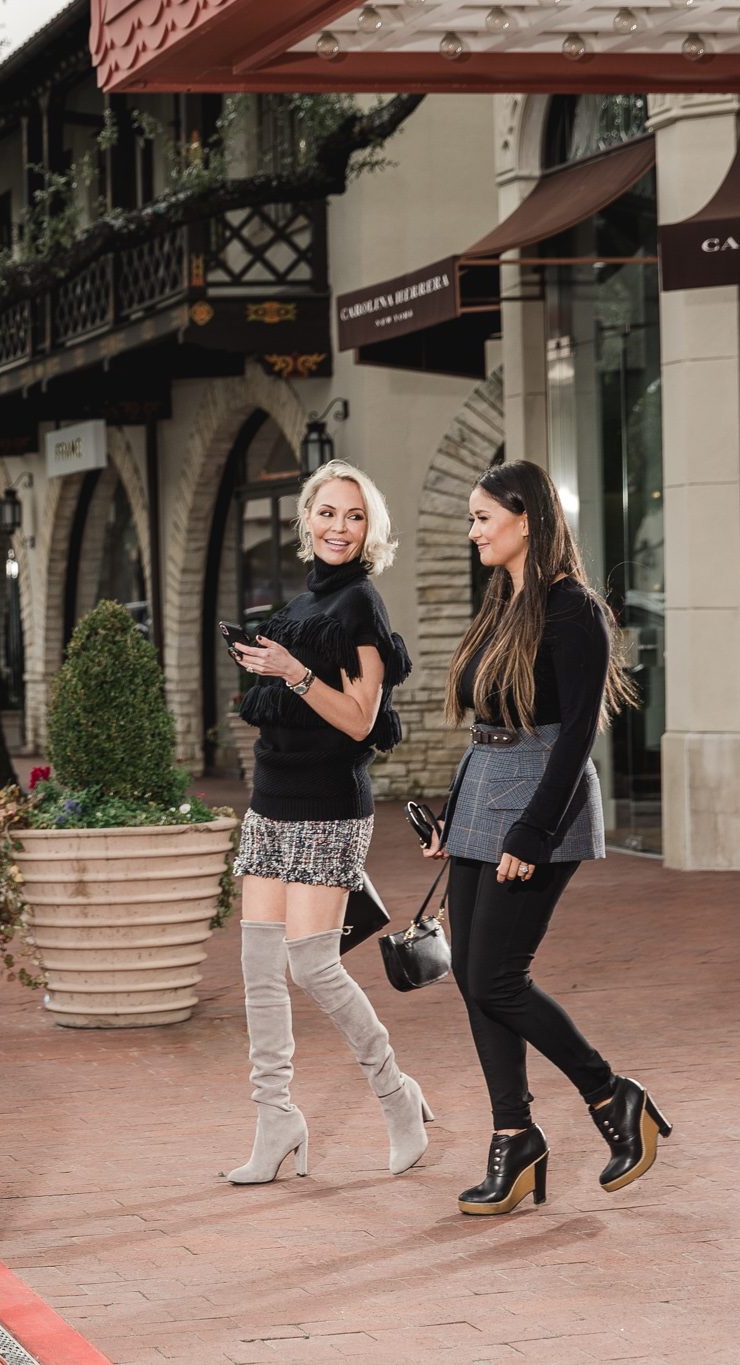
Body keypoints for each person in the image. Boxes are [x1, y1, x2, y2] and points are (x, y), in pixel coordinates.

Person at [422, 459, 670, 1217]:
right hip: (484, 799)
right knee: (472, 974)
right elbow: (487, 725)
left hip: (540, 806)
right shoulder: (505, 600)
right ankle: (515, 1138)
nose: (473, 532)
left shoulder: (574, 610)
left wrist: (532, 828)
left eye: (481, 519)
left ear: (525, 516)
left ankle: (611, 1095)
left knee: (497, 976)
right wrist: (451, 816)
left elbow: (572, 744)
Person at [225, 459, 429, 1184]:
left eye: (354, 516)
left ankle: (397, 1095)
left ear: (369, 530)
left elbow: (361, 719)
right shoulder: (299, 603)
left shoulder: (360, 606)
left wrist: (293, 673)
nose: (339, 526)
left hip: (328, 806)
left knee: (312, 961)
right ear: (306, 519)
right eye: (328, 512)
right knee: (257, 964)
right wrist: (270, 667)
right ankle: (275, 1117)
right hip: (272, 797)